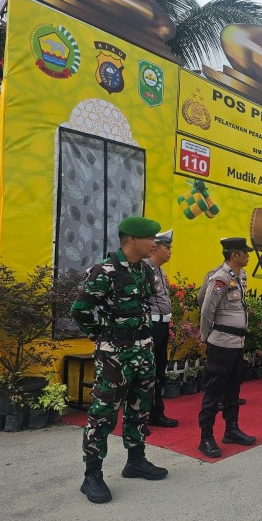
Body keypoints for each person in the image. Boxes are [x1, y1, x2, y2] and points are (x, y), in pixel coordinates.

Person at [72, 216, 168, 504]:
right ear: (132, 240)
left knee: (140, 407)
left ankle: (135, 460)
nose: (155, 243)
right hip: (115, 354)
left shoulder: (144, 271)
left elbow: (144, 306)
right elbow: (80, 311)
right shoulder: (104, 271)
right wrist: (102, 336)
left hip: (143, 350)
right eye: (151, 239)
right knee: (103, 414)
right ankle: (92, 476)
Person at [197, 237, 257, 457]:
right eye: (245, 252)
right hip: (221, 343)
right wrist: (206, 337)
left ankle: (231, 430)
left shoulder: (240, 276)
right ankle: (206, 438)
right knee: (214, 393)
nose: (248, 255)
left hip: (236, 344)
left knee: (233, 390)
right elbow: (206, 309)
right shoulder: (220, 278)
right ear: (234, 255)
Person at [144, 229, 179, 429]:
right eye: (167, 247)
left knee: (159, 371)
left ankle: (156, 412)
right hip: (152, 326)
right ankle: (144, 415)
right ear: (155, 248)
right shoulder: (145, 268)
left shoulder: (159, 270)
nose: (170, 251)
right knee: (148, 371)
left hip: (162, 324)